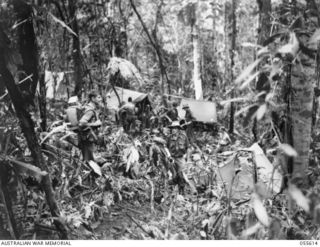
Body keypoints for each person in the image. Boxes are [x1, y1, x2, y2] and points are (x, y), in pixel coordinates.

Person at [167, 121, 195, 194]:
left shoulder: (183, 137)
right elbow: (166, 148)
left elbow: (188, 148)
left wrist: (188, 158)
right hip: (172, 159)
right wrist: (169, 156)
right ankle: (172, 192)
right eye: (172, 128)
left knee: (182, 174)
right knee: (173, 176)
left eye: (175, 128)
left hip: (180, 158)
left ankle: (181, 191)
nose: (173, 130)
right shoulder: (169, 138)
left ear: (178, 129)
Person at [78, 90, 102, 161]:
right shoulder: (90, 110)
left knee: (87, 158)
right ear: (93, 98)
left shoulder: (90, 108)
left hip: (87, 138)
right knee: (89, 160)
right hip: (87, 139)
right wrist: (95, 124)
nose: (100, 99)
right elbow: (81, 123)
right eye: (98, 97)